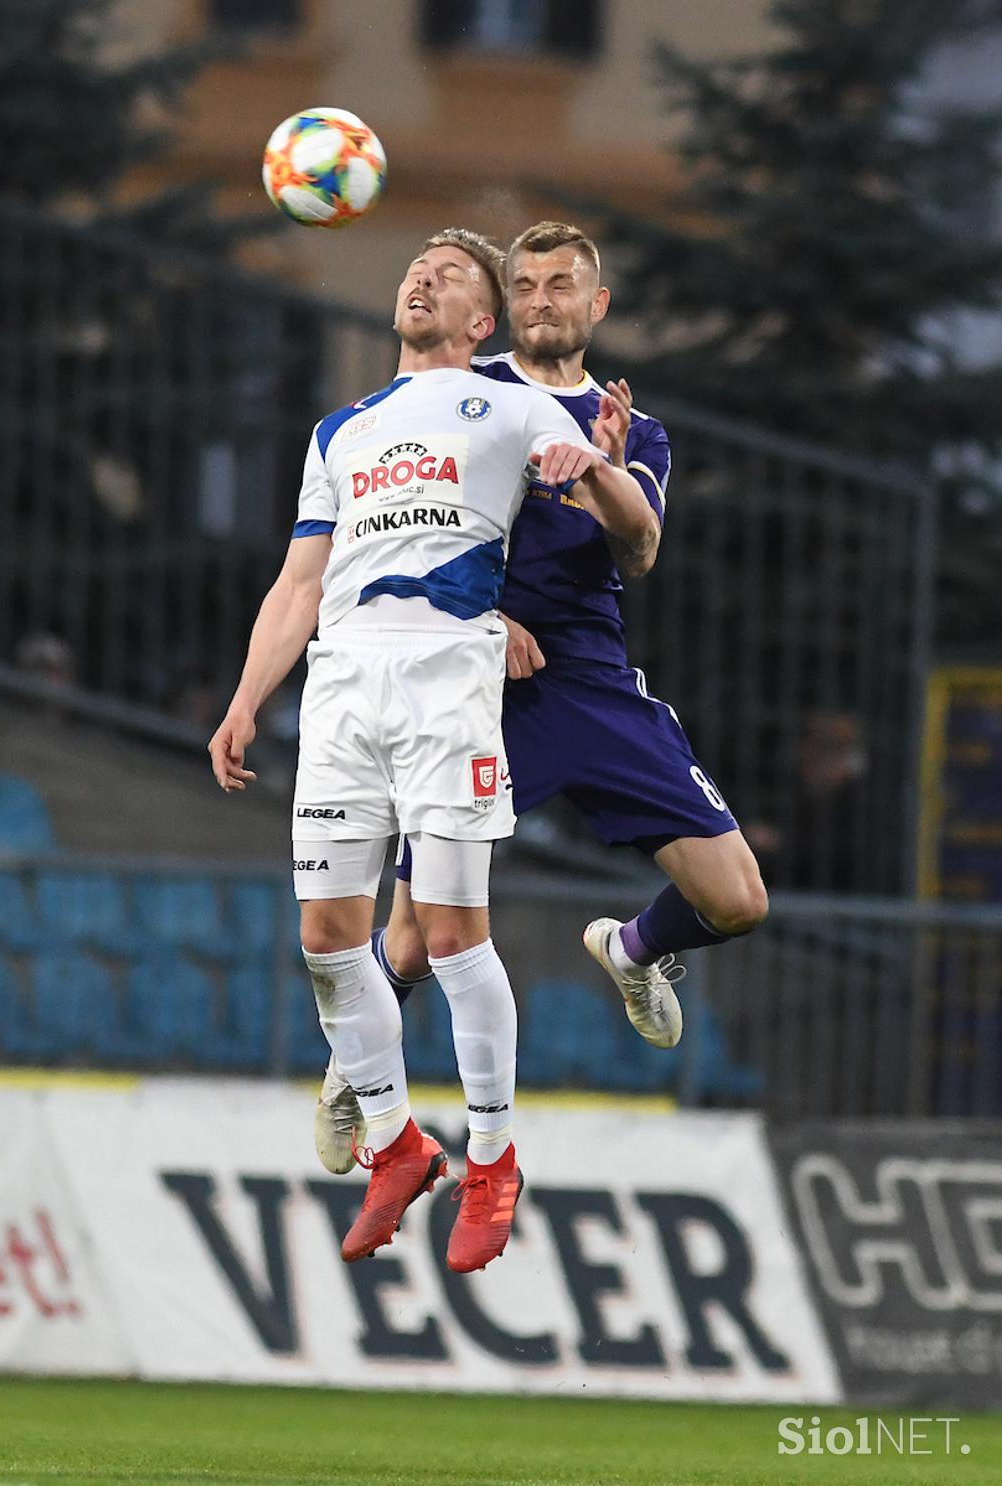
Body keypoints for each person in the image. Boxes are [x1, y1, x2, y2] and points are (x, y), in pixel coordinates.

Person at [208, 227, 658, 1272]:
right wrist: (244, 699)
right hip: (341, 689)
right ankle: (400, 1145)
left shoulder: (514, 405)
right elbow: (298, 584)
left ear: (480, 322)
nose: (423, 277)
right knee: (329, 939)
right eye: (417, 268)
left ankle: (492, 1159)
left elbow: (633, 533)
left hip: (446, 685)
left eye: (451, 275)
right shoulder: (342, 429)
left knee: (451, 937)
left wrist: (593, 463)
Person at [315, 222, 769, 1173]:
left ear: (595, 306)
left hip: (593, 684)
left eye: (562, 285)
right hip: (475, 684)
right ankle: (354, 1078)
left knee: (737, 899)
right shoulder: (468, 396)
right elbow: (412, 531)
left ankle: (636, 949)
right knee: (407, 936)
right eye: (525, 285)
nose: (542, 300)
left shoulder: (631, 427)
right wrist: (487, 621)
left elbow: (639, 550)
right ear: (502, 306)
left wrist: (600, 470)